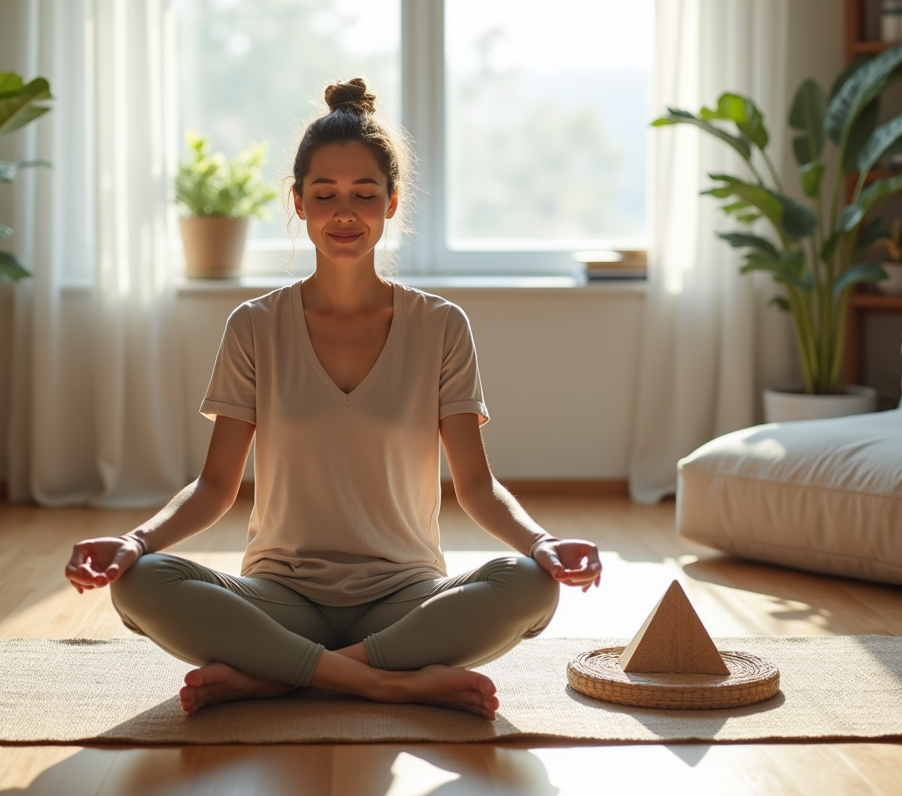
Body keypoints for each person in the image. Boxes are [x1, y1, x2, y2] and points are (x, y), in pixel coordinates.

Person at [64, 78, 602, 721]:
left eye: (364, 194)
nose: (344, 212)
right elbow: (213, 487)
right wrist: (134, 541)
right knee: (143, 582)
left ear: (392, 203)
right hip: (279, 593)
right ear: (297, 204)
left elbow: (478, 488)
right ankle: (385, 681)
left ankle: (281, 673)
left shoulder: (441, 326)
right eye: (324, 194)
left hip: (405, 593)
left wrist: (543, 543)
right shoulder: (254, 326)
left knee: (530, 585)